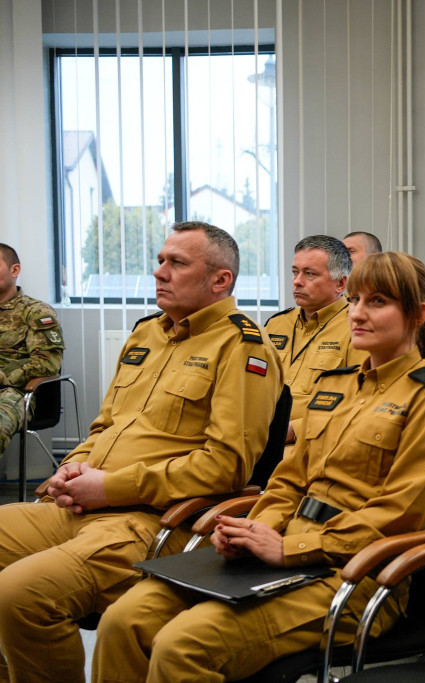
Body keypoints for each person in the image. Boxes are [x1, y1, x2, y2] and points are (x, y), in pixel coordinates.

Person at [92, 251, 425, 682]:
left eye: (378, 302)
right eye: (356, 300)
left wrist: (290, 550)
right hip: (279, 548)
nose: (358, 314)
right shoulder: (336, 386)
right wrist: (256, 531)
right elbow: (288, 481)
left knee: (184, 646)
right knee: (124, 621)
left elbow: (396, 516)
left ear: (418, 314)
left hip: (353, 574)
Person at [0, 222, 284, 681]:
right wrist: (73, 467)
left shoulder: (242, 347)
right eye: (159, 260)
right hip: (79, 503)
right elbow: (106, 425)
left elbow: (225, 467)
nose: (159, 272)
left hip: (150, 519)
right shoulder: (147, 335)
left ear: (220, 280)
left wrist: (109, 487)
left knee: (19, 593)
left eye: (177, 263)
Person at [264, 236, 368, 437]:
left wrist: (296, 430)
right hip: (258, 439)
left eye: (309, 274)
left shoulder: (358, 327)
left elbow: (361, 402)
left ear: (340, 283)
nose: (297, 282)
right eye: (295, 272)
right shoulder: (276, 324)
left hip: (314, 443)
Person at [0, 243, 65, 458]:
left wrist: (3, 377)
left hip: (15, 393)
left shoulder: (36, 312)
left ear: (14, 270)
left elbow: (46, 364)